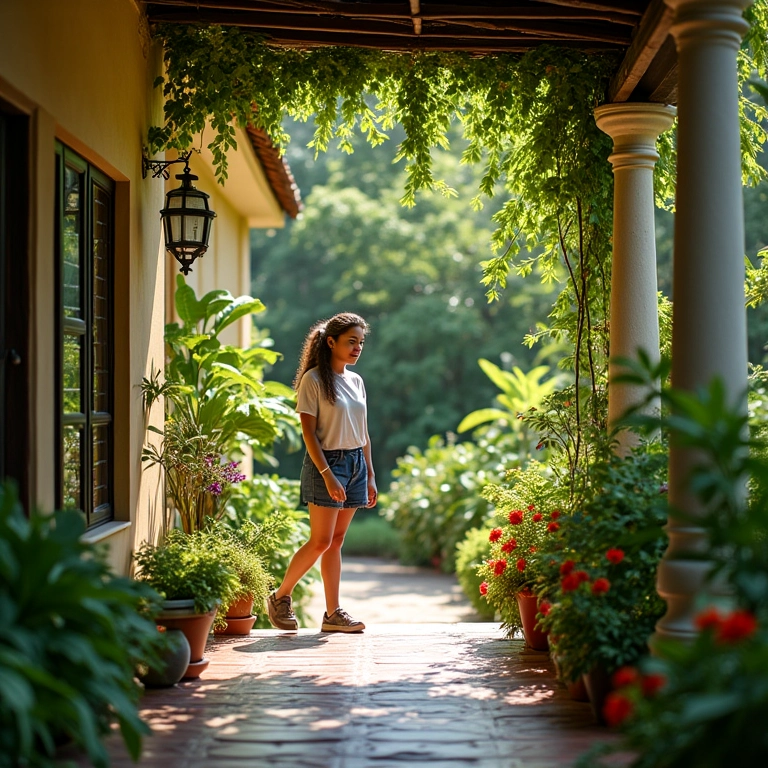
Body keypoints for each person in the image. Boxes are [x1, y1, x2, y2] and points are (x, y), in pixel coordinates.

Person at [267, 312, 377, 632]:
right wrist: (328, 474)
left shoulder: (356, 381)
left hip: (356, 463)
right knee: (320, 541)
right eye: (351, 341)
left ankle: (332, 614)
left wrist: (369, 474)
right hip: (326, 464)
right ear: (331, 342)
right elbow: (308, 434)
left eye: (361, 342)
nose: (358, 348)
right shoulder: (313, 380)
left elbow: (363, 432)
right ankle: (280, 596)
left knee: (336, 541)